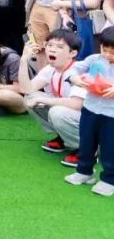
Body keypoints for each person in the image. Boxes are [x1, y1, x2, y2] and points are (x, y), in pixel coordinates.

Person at [20, 30, 84, 164]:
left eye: (59, 47)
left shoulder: (79, 71)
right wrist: (24, 59)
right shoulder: (50, 69)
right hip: (77, 117)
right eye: (49, 45)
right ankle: (63, 136)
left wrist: (44, 100)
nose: (52, 50)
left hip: (97, 121)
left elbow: (77, 104)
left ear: (72, 53)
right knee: (30, 97)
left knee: (56, 111)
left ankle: (87, 149)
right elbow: (26, 89)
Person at [65, 26, 114, 195]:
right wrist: (75, 78)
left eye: (113, 52)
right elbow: (73, 69)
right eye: (105, 50)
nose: (108, 55)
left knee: (110, 147)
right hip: (90, 109)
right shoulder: (94, 59)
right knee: (86, 143)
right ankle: (84, 171)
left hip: (111, 115)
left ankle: (109, 179)